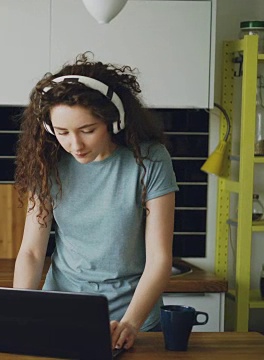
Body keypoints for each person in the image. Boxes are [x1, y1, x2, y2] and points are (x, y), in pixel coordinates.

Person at [12, 53, 178, 351]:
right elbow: (33, 252)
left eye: (87, 131)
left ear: (113, 122)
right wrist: (19, 314)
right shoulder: (48, 162)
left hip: (134, 318)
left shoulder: (149, 160)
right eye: (62, 132)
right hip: (61, 316)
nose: (75, 144)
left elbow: (159, 259)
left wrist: (130, 323)